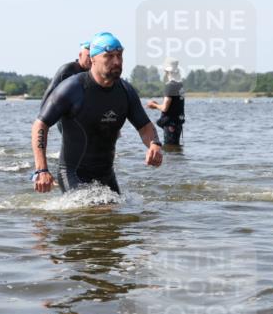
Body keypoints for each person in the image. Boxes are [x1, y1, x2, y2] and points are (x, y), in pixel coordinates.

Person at [31, 32, 162, 193]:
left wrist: (154, 143)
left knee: (121, 215)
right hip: (72, 174)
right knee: (99, 211)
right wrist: (42, 169)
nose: (116, 61)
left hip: (106, 175)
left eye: (119, 55)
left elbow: (144, 126)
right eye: (109, 56)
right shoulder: (72, 88)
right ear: (93, 59)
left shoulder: (126, 91)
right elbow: (40, 124)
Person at [40, 41, 93, 110]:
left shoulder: (93, 73)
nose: (91, 60)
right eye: (88, 56)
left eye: (93, 56)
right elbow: (49, 93)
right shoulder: (67, 70)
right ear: (80, 55)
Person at [147, 57, 186, 145]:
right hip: (178, 123)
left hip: (171, 124)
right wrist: (158, 105)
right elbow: (174, 105)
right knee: (176, 147)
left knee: (169, 148)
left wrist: (154, 105)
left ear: (167, 71)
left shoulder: (170, 86)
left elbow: (165, 108)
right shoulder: (180, 85)